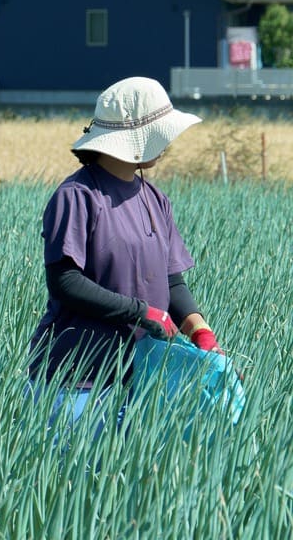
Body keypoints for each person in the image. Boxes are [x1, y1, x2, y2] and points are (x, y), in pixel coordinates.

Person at [27, 76, 222, 433]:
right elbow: (65, 282)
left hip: (138, 377)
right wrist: (141, 312)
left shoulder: (154, 199)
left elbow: (171, 280)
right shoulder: (77, 196)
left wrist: (200, 330)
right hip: (75, 381)